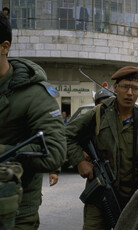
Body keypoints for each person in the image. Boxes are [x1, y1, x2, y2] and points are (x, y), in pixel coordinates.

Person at [66, 66, 138, 230]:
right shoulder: (98, 114)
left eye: (135, 88)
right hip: (99, 193)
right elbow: (65, 135)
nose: (129, 93)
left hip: (135, 198)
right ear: (115, 88)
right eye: (124, 87)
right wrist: (79, 161)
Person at [0, 12, 66, 229]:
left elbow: (55, 153)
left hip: (14, 212)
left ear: (4, 47)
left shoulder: (35, 94)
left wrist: (3, 151)